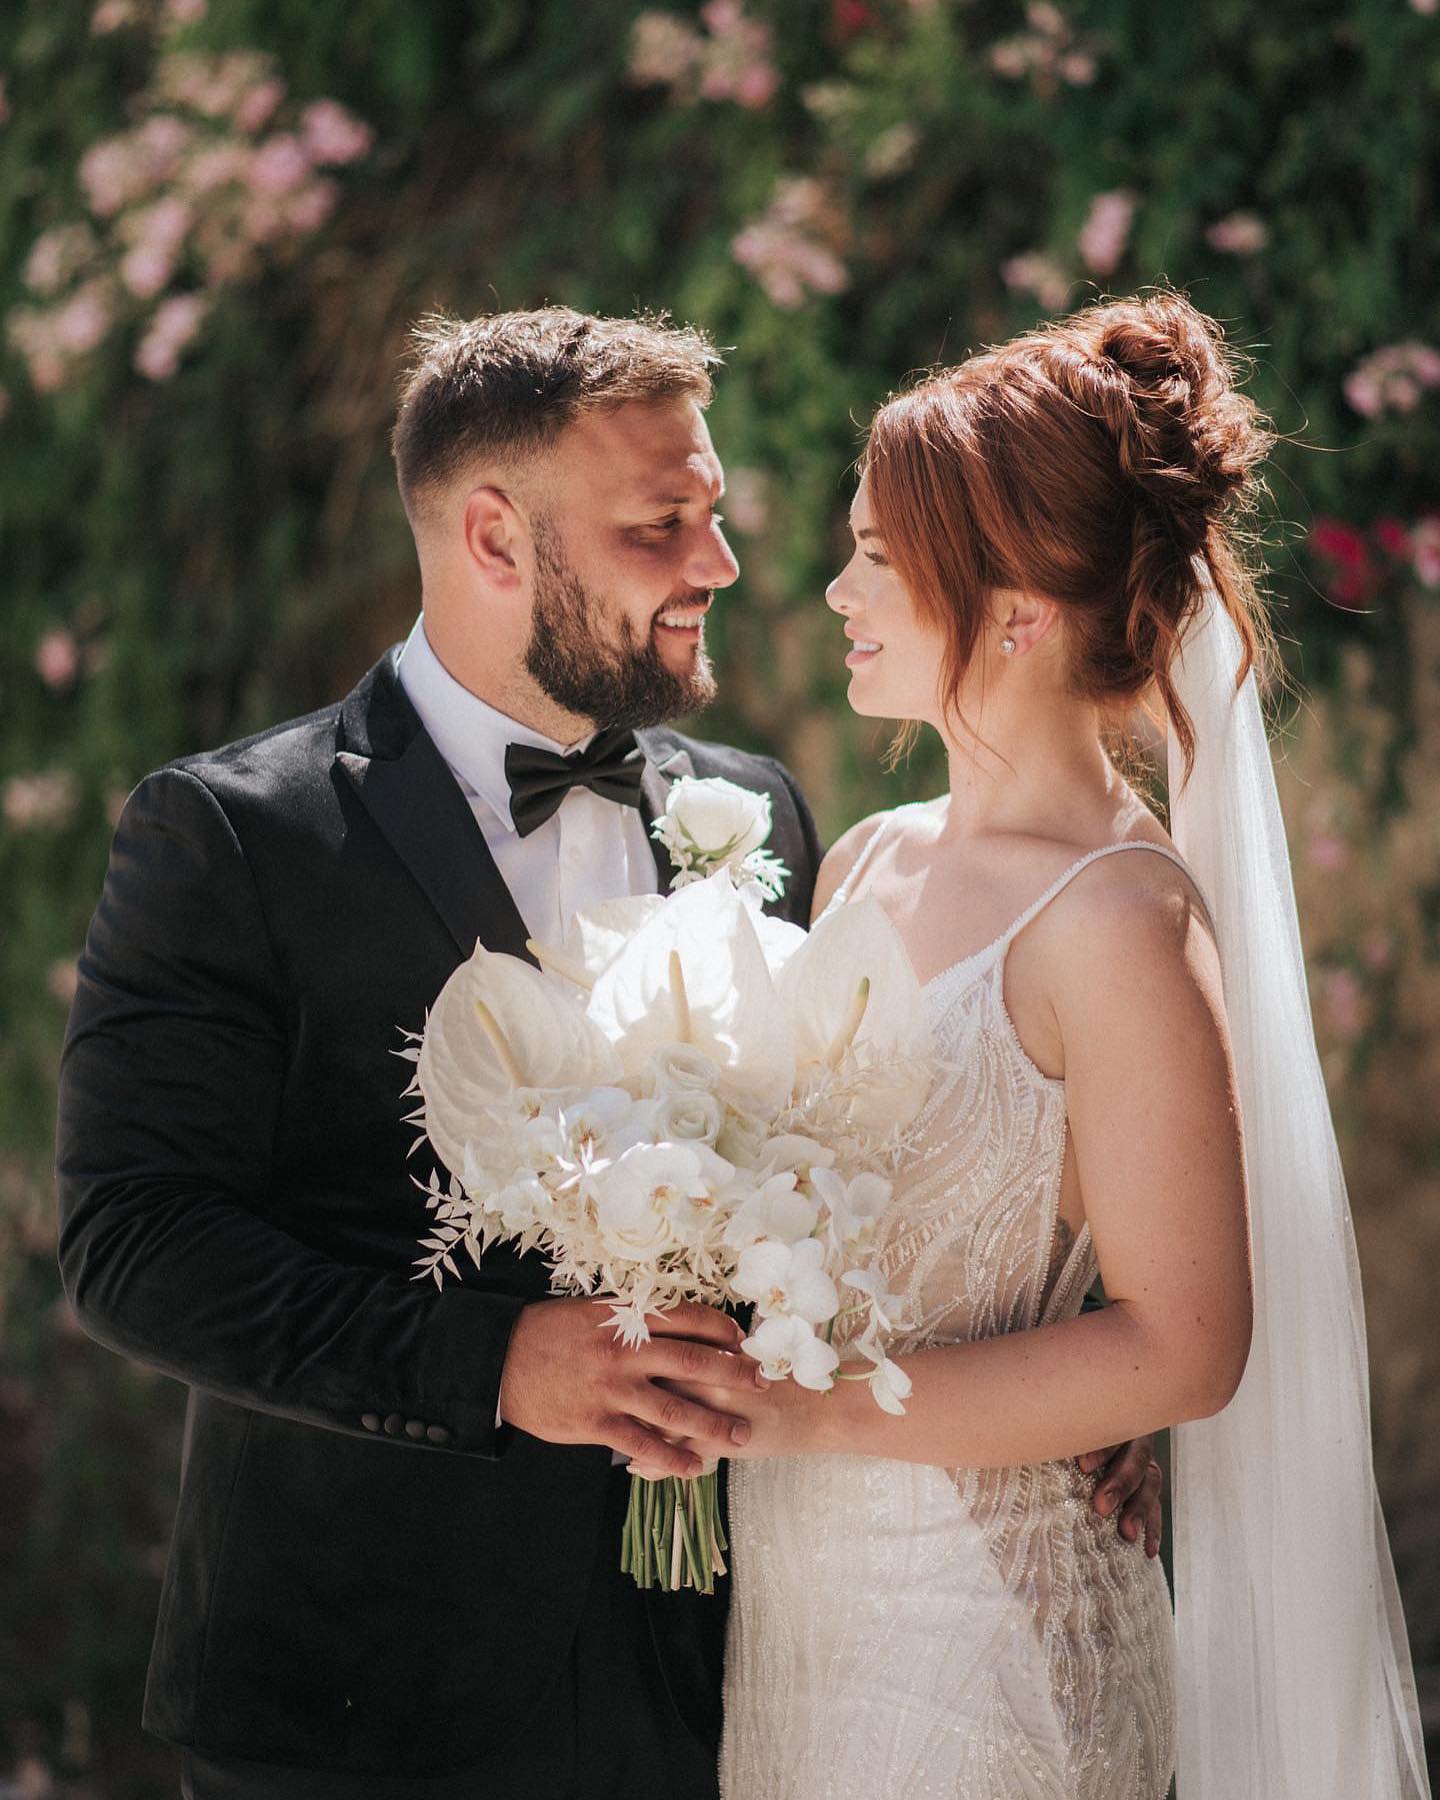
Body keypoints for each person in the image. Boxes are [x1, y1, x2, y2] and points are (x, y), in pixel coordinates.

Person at [53, 306, 1163, 1800]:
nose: (720, 566)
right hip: (356, 1703)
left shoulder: (756, 813)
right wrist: (499, 1365)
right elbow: (135, 1245)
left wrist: (1071, 1388)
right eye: (663, 527)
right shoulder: (232, 836)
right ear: (496, 539)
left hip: (724, 1680)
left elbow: (896, 1156)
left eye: (713, 516)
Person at [652, 291, 1429, 1798]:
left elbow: (1186, 1345)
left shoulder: (1121, 925)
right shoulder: (864, 859)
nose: (834, 592)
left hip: (995, 1635)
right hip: (799, 1615)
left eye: (877, 557)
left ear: (1015, 613)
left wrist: (807, 1416)